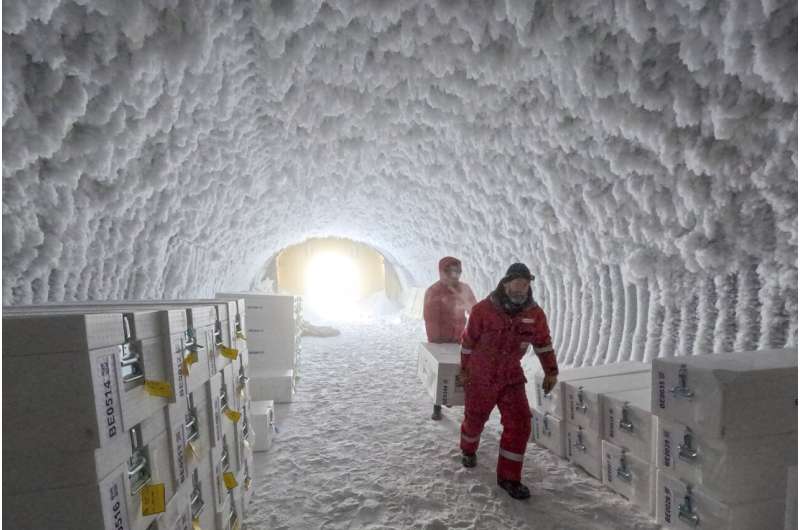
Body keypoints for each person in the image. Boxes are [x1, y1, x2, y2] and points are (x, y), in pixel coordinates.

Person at [458, 262, 558, 500]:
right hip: (481, 375)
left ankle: (509, 478)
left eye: (525, 284)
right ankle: (468, 448)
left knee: (520, 423)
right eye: (516, 283)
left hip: (511, 376)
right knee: (475, 419)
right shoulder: (483, 310)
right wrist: (464, 369)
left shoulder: (534, 314)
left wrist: (551, 371)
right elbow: (468, 341)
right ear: (505, 284)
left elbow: (543, 343)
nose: (520, 289)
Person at [423, 256, 478, 420]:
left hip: (460, 338)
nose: (454, 275)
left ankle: (462, 403)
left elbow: (474, 312)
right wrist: (435, 341)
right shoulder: (434, 291)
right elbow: (430, 319)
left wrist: (474, 333)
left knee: (463, 371)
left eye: (457, 271)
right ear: (442, 272)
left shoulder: (464, 289)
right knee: (441, 372)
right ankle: (437, 405)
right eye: (450, 272)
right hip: (440, 340)